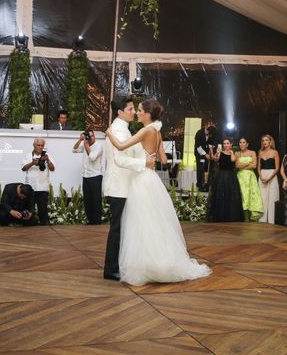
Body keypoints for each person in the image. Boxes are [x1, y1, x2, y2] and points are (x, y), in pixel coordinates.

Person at [106, 98, 211, 286]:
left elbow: (121, 147)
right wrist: (150, 155)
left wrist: (108, 134)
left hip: (140, 179)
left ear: (147, 114)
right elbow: (163, 159)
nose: (137, 112)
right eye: (134, 109)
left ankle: (145, 262)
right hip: (152, 179)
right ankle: (159, 259)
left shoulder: (145, 130)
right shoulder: (157, 132)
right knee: (154, 220)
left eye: (138, 110)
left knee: (140, 222)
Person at [102, 95, 155, 281]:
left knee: (121, 228)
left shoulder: (122, 128)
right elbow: (120, 159)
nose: (134, 112)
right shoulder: (119, 130)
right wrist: (145, 162)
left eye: (134, 109)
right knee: (117, 229)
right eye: (130, 109)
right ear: (120, 112)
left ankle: (116, 266)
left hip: (122, 185)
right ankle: (110, 269)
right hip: (119, 186)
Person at [207, 137, 244, 222]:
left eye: (227, 143)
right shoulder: (220, 152)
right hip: (221, 176)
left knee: (230, 195)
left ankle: (230, 215)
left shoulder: (233, 153)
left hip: (231, 177)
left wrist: (231, 152)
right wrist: (216, 152)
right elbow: (215, 159)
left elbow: (233, 160)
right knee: (220, 195)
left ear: (231, 144)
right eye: (224, 143)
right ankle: (220, 216)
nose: (226, 145)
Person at [22, 138, 55, 225]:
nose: (40, 147)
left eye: (42, 145)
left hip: (43, 187)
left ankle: (44, 228)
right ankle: (28, 225)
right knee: (29, 210)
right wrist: (32, 163)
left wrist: (48, 160)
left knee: (43, 211)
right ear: (34, 145)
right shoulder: (28, 155)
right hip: (31, 187)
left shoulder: (48, 155)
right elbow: (23, 168)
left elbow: (52, 169)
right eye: (38, 145)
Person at [73, 130, 103, 224]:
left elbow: (92, 157)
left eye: (92, 136)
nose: (91, 138)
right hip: (85, 176)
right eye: (89, 136)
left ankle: (97, 221)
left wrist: (86, 144)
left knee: (96, 200)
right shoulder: (84, 143)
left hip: (95, 176)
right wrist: (80, 140)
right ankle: (90, 220)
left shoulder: (98, 146)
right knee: (87, 200)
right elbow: (74, 149)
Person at [236, 136, 263, 222]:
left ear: (247, 144)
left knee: (250, 195)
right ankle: (244, 217)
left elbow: (254, 165)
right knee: (243, 196)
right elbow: (237, 166)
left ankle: (251, 217)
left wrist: (242, 165)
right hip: (240, 177)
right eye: (240, 142)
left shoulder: (252, 152)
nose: (242, 144)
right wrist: (248, 163)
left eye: (244, 142)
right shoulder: (237, 153)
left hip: (250, 177)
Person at [258, 134, 280, 224]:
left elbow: (277, 168)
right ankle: (262, 220)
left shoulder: (275, 152)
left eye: (266, 140)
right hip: (262, 175)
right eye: (263, 140)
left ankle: (271, 221)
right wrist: (261, 176)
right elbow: (258, 167)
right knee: (262, 198)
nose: (264, 142)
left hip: (272, 175)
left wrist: (269, 178)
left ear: (270, 142)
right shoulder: (260, 152)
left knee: (272, 198)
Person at [194, 123, 208, 191]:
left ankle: (206, 184)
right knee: (200, 169)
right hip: (199, 154)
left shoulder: (211, 134)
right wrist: (205, 154)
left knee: (206, 169)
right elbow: (198, 147)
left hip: (207, 155)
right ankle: (200, 184)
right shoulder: (199, 133)